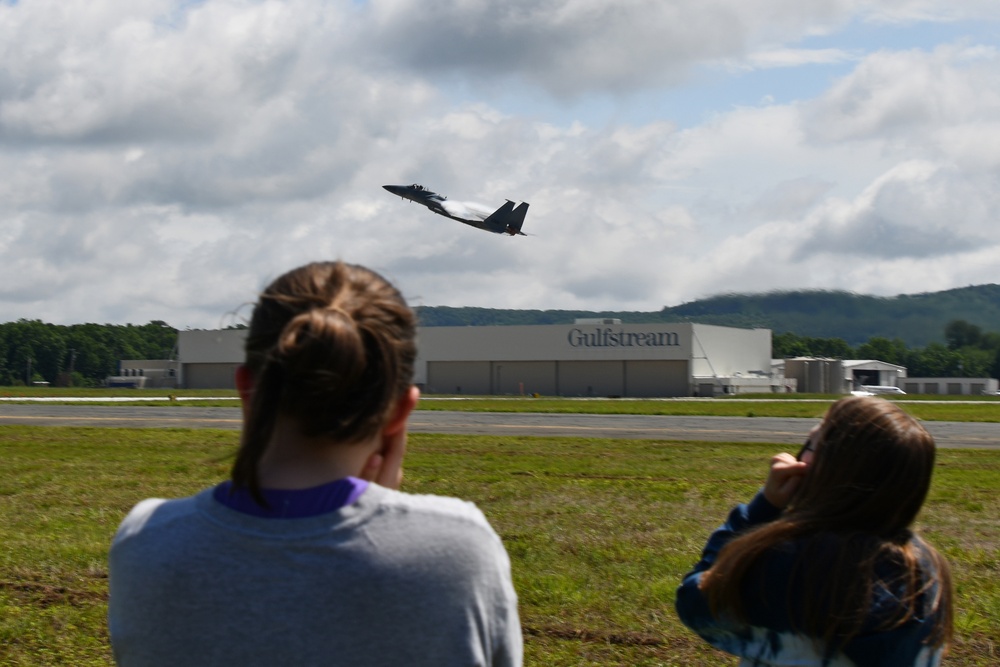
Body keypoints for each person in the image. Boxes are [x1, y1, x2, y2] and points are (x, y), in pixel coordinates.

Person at [108, 261, 522, 667]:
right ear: (400, 413)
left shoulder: (146, 540)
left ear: (246, 390)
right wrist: (392, 518)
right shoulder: (460, 547)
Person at [675, 395, 952, 666]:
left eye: (809, 445)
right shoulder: (926, 568)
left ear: (827, 470)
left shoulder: (788, 562)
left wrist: (763, 509)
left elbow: (696, 602)